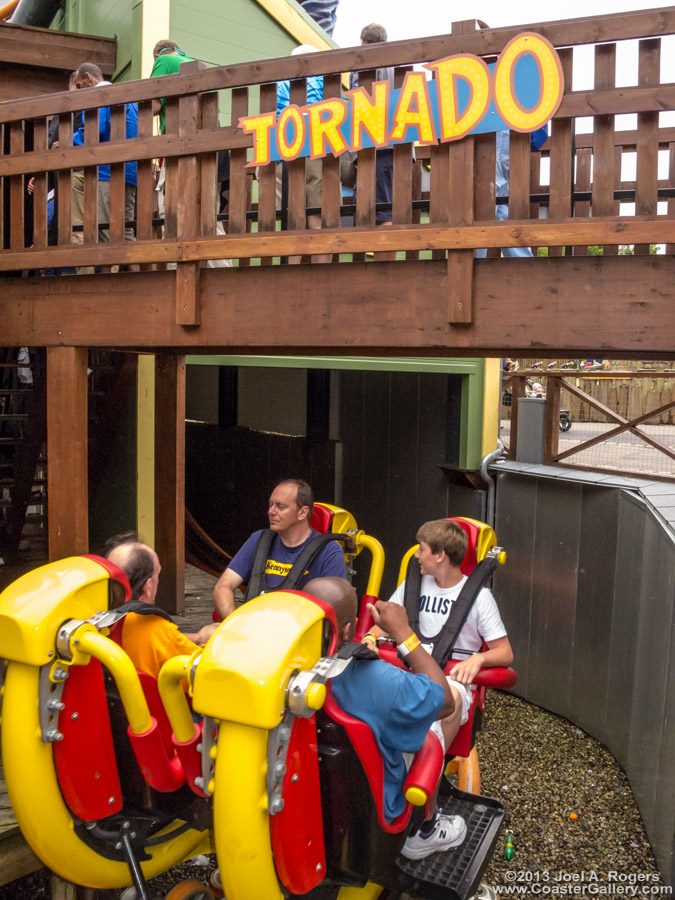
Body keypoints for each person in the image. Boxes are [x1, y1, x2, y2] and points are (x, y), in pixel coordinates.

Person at [304, 576, 467, 858]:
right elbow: (444, 702)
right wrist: (404, 634)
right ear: (347, 630)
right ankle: (424, 828)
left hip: (306, 796)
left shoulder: (275, 672)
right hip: (375, 806)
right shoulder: (375, 680)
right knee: (458, 691)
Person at [367, 519, 513, 757]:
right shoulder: (413, 586)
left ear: (439, 555)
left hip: (453, 681)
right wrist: (369, 639)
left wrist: (477, 660)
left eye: (422, 549)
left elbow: (505, 653)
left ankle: (424, 770)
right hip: (410, 672)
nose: (416, 555)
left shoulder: (481, 598)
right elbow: (384, 625)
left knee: (448, 699)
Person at [212, 478, 346, 619]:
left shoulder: (329, 552)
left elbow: (335, 611)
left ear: (302, 513)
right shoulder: (258, 540)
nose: (271, 511)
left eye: (280, 507)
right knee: (204, 634)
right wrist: (234, 625)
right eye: (270, 505)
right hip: (249, 630)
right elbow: (222, 586)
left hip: (297, 634)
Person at [150, 40, 232, 268]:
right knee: (208, 219)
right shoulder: (199, 66)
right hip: (212, 149)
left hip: (181, 147)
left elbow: (154, 105)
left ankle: (174, 275)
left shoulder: (164, 60)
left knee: (173, 214)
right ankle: (224, 274)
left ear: (157, 55)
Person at [105, 533, 212, 678]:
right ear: (148, 587)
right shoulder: (156, 630)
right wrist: (212, 643)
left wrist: (197, 636)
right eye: (157, 574)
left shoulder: (97, 620)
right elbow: (204, 673)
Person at [72, 62, 138, 269]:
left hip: (107, 172)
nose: (80, 92)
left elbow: (94, 131)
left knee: (105, 229)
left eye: (80, 86)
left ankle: (111, 286)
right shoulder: (129, 99)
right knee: (126, 230)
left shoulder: (98, 97)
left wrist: (69, 139)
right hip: (131, 172)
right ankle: (139, 281)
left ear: (89, 78)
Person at [275, 44, 331, 264]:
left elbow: (271, 121)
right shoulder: (327, 82)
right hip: (318, 151)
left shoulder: (279, 83)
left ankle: (291, 277)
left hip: (284, 153)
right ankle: (322, 275)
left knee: (291, 220)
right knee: (317, 218)